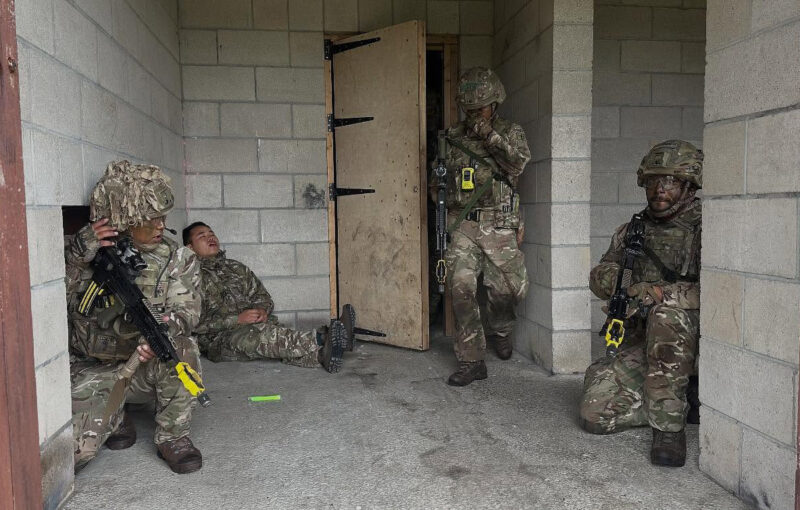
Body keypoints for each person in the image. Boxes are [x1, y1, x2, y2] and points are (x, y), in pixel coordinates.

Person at [67, 161, 204, 473]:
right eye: (151, 219)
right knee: (73, 455)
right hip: (88, 369)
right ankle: (116, 416)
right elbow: (47, 303)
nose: (161, 226)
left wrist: (166, 328)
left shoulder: (179, 259)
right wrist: (76, 257)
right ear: (125, 221)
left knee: (182, 351)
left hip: (140, 367)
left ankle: (173, 435)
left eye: (162, 218)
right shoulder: (88, 250)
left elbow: (187, 312)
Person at [579, 140, 703, 467]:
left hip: (697, 344)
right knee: (594, 412)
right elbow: (600, 275)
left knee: (667, 313)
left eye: (671, 182)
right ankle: (672, 397)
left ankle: (669, 426)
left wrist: (660, 294)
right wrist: (627, 286)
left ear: (689, 186)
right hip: (645, 341)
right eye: (653, 181)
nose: (660, 189)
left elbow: (722, 292)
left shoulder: (707, 228)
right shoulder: (632, 230)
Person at [438, 67, 531, 386]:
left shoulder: (510, 131)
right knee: (461, 289)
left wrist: (488, 135)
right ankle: (472, 360)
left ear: (496, 103)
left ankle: (502, 328)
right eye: (471, 108)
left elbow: (517, 164)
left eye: (483, 107)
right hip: (463, 224)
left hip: (499, 223)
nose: (476, 113)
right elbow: (440, 180)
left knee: (502, 291)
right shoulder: (451, 138)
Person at [182, 222, 352, 372]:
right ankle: (323, 338)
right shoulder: (187, 278)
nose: (210, 237)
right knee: (266, 337)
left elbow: (261, 295)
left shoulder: (236, 268)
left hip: (254, 326)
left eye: (211, 233)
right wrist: (237, 319)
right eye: (202, 236)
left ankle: (322, 355)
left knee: (279, 334)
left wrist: (262, 310)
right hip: (218, 340)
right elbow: (192, 325)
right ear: (190, 247)